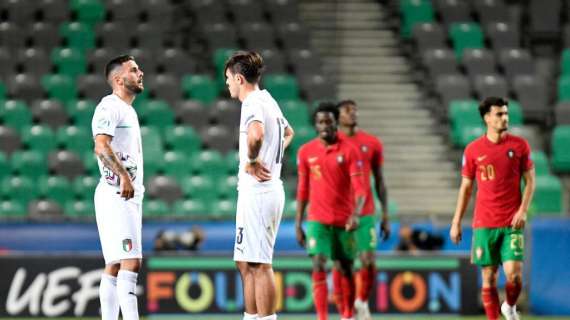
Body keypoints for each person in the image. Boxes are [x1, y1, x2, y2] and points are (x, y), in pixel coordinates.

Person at [450, 97, 535, 320]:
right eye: (499, 114)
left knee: (514, 275)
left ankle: (509, 306)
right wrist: (456, 221)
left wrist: (523, 210)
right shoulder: (473, 150)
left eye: (506, 113)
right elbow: (466, 187)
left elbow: (530, 181)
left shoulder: (519, 146)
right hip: (485, 222)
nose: (504, 118)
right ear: (487, 118)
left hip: (511, 222)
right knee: (488, 277)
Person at [225, 51, 294, 320]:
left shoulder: (252, 102)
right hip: (261, 191)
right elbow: (288, 133)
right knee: (245, 262)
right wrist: (272, 154)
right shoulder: (268, 100)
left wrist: (254, 159)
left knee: (260, 263)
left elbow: (256, 134)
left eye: (229, 79)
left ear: (239, 78)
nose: (228, 84)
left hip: (260, 192)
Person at [295, 102, 366, 320]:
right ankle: (322, 317)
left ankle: (347, 314)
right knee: (318, 263)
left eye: (329, 121)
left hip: (344, 220)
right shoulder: (306, 152)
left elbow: (361, 190)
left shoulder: (350, 151)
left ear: (336, 123)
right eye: (320, 122)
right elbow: (303, 189)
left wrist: (356, 214)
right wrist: (298, 223)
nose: (325, 125)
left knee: (345, 268)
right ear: (315, 125)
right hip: (317, 220)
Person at [92, 55, 145, 320]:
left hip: (118, 194)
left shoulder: (127, 110)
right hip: (117, 194)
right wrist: (124, 176)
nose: (140, 73)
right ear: (118, 79)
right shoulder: (109, 107)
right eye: (134, 70)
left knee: (114, 264)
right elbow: (101, 145)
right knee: (131, 262)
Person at [336, 99, 390, 320]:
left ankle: (362, 301)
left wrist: (385, 214)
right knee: (342, 264)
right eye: (347, 110)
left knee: (368, 258)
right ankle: (345, 312)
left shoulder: (372, 143)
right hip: (339, 213)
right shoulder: (331, 142)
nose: (352, 113)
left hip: (366, 211)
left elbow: (379, 181)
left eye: (354, 110)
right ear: (337, 116)